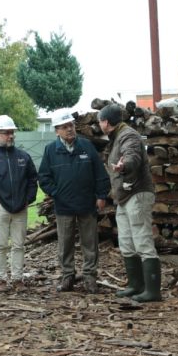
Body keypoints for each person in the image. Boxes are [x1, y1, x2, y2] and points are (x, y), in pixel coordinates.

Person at [38, 109, 110, 294]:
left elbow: (100, 174)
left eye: (71, 125)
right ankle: (67, 277)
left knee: (90, 243)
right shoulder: (50, 150)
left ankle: (90, 278)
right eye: (64, 127)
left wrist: (101, 196)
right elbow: (44, 177)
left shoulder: (86, 147)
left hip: (87, 204)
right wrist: (56, 192)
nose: (69, 129)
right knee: (65, 244)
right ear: (57, 131)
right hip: (64, 206)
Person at [98, 103, 161, 302]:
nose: (99, 125)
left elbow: (132, 154)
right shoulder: (117, 136)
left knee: (142, 239)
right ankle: (136, 285)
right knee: (126, 241)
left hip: (137, 193)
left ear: (106, 122)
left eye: (100, 121)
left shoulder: (128, 135)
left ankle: (152, 291)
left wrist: (124, 166)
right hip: (124, 197)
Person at [0, 115, 38, 293]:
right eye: (6, 133)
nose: (10, 136)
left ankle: (18, 279)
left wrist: (29, 199)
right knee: (1, 245)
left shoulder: (23, 157)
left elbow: (33, 179)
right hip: (0, 207)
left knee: (19, 245)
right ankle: (0, 279)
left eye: (12, 132)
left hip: (21, 207)